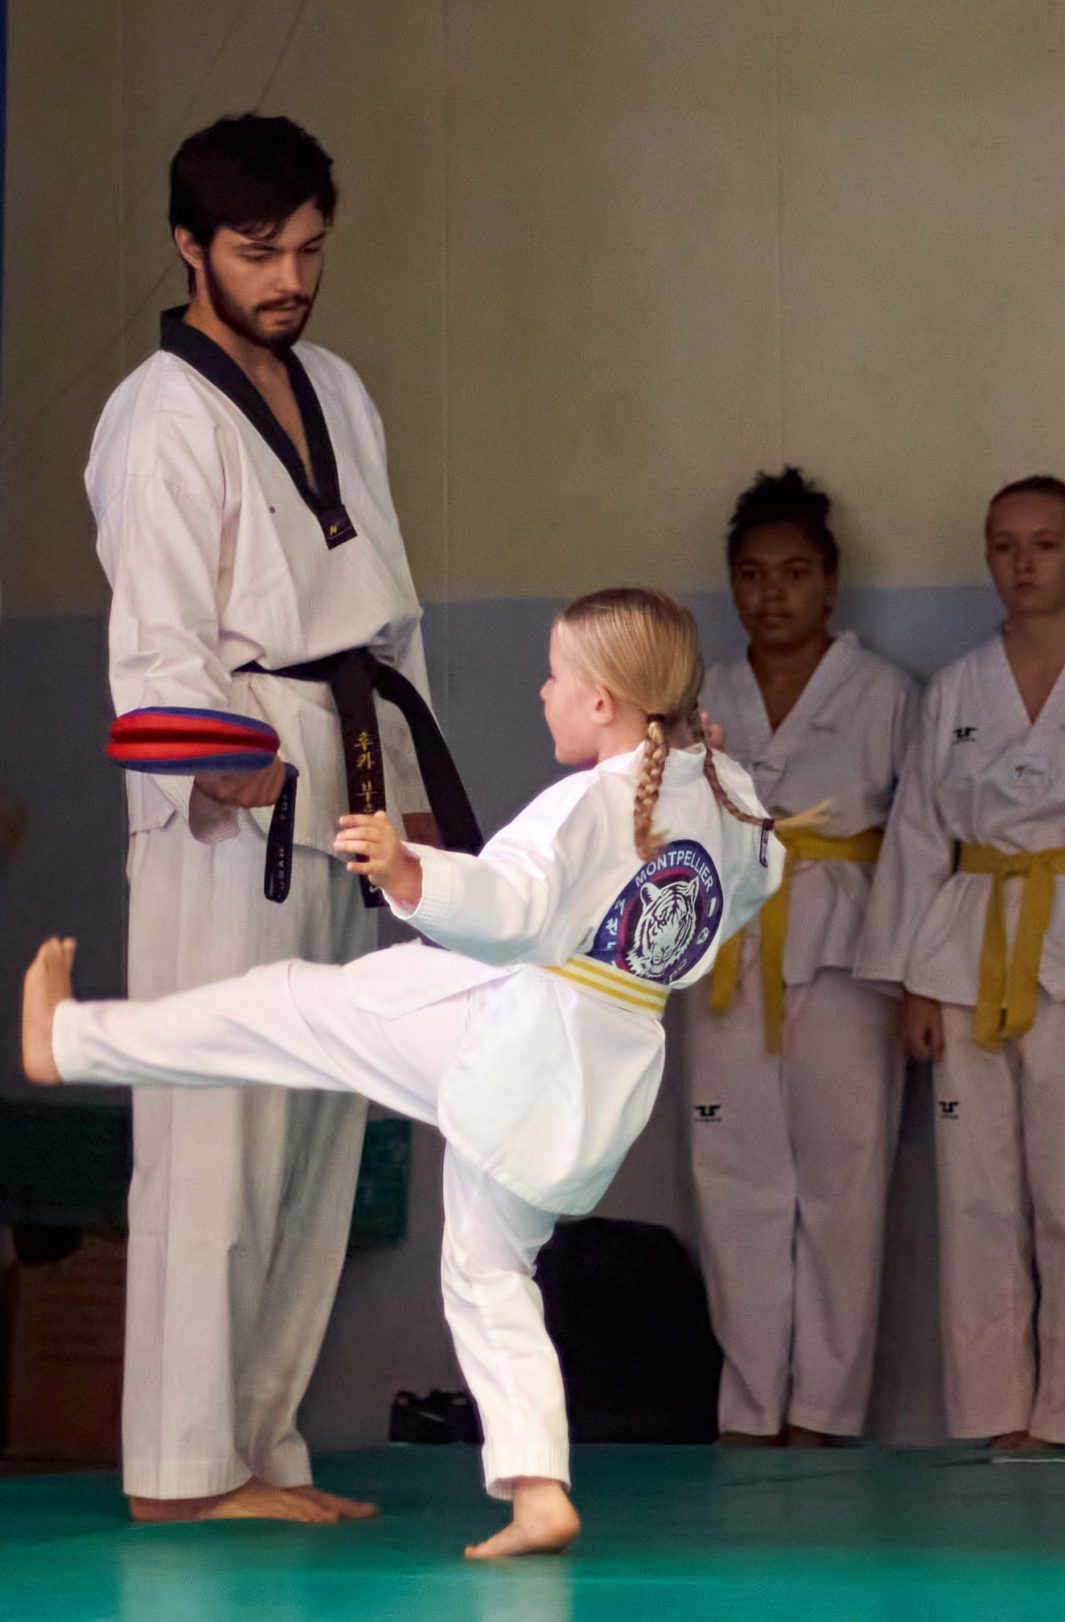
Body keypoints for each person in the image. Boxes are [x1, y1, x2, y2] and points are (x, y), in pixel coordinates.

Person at [25, 589, 780, 1559]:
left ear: (603, 702)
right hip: (603, 1075)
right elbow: (759, 869)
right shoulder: (718, 791)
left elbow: (511, 908)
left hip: (515, 1039)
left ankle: (74, 1041)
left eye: (555, 676)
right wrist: (712, 763)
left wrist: (404, 869)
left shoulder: (592, 805)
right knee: (489, 1272)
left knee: (286, 1005)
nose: (542, 691)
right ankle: (537, 1487)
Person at [90, 113, 475, 1525]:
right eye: (259, 251)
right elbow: (155, 624)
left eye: (309, 248)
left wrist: (414, 803)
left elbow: (391, 607)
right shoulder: (160, 412)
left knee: (317, 1126)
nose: (291, 277)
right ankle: (181, 1467)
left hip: (350, 765)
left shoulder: (341, 390)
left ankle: (258, 1445)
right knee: (217, 1134)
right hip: (231, 799)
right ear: (190, 247)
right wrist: (208, 754)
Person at [854, 475, 1065, 1448]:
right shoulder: (956, 688)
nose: (1023, 563)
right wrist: (913, 980)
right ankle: (990, 1410)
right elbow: (919, 833)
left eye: (1043, 543)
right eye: (1004, 545)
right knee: (975, 1193)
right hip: (963, 952)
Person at [686, 468, 916, 1447]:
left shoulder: (884, 693)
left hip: (848, 944)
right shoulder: (702, 697)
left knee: (843, 1181)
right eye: (750, 574)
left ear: (829, 581)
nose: (770, 593)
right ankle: (749, 1405)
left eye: (791, 573)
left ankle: (823, 1408)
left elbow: (919, 841)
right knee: (732, 1175)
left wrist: (912, 972)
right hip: (726, 944)